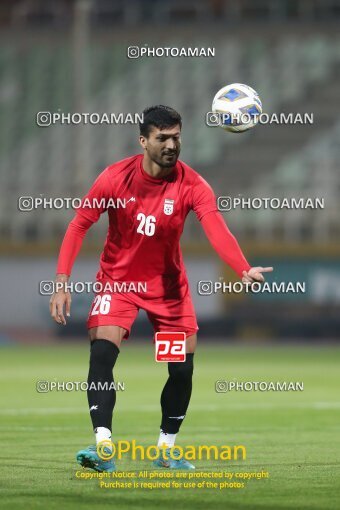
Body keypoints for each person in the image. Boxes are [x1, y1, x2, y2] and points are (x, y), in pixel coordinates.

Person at [50, 105, 273, 472]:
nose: (172, 144)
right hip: (118, 284)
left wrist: (242, 267)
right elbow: (77, 227)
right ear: (144, 141)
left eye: (177, 137)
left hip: (168, 292)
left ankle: (166, 449)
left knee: (181, 369)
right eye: (163, 138)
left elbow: (215, 226)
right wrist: (61, 283)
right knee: (102, 353)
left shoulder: (192, 184)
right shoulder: (114, 178)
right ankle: (104, 446)